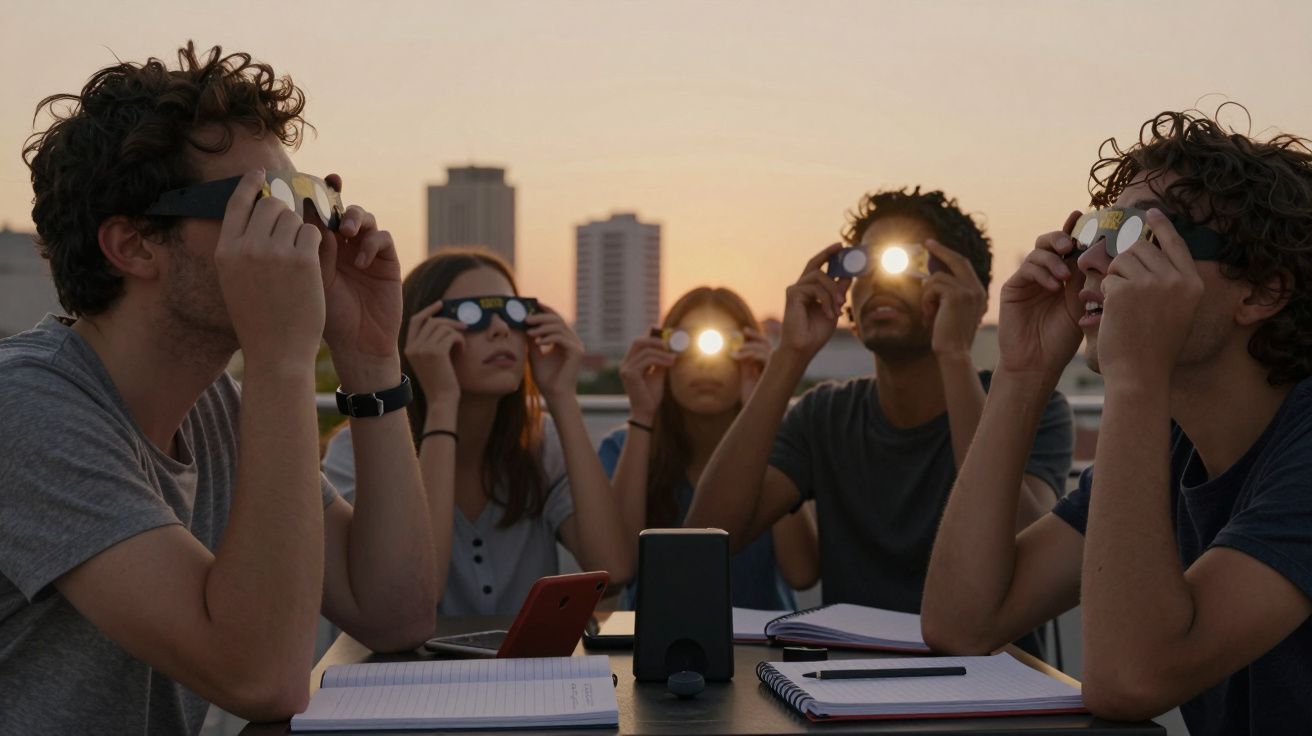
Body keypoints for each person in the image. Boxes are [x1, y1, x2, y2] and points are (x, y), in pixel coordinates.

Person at [0, 43, 440, 734]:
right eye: (266, 204)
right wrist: (282, 361)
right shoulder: (28, 410)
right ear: (135, 245)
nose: (308, 233)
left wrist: (370, 358)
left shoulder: (214, 407)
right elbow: (262, 678)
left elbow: (394, 610)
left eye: (313, 200)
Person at [920, 109, 1312, 733]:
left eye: (1141, 234)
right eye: (1096, 233)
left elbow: (1129, 680)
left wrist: (1136, 377)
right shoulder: (1173, 445)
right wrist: (1022, 373)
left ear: (1262, 291)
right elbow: (963, 622)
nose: (1093, 261)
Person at [684, 189, 1072, 633]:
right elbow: (707, 535)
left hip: (989, 679)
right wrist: (790, 354)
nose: (881, 280)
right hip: (846, 683)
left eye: (912, 262)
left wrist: (954, 354)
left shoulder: (1028, 406)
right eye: (860, 263)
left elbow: (1021, 543)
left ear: (972, 295)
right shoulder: (826, 414)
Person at [323, 248, 634, 615]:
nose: (500, 329)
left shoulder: (539, 441)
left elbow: (612, 570)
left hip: (525, 671)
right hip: (404, 672)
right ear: (416, 335)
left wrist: (562, 395)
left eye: (513, 313)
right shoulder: (356, 450)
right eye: (472, 316)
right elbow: (418, 595)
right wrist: (442, 403)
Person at [599, 287, 819, 611]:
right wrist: (641, 415)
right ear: (662, 355)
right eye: (683, 343)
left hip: (759, 646)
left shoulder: (778, 445)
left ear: (752, 358)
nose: (704, 363)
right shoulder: (623, 448)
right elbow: (616, 571)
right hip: (654, 646)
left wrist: (766, 402)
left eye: (727, 345)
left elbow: (802, 573)